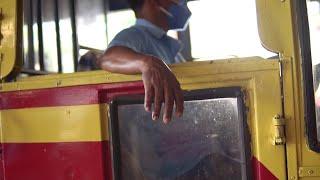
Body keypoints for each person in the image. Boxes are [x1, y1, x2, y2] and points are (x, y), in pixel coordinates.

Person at [96, 0, 192, 124]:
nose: (179, 4)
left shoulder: (165, 43)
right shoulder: (136, 35)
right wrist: (147, 63)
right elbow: (108, 58)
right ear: (153, 2)